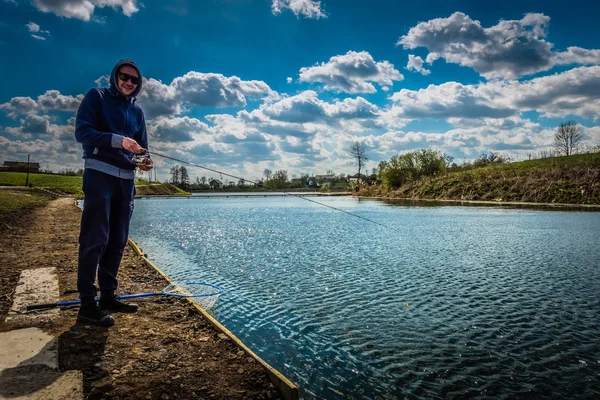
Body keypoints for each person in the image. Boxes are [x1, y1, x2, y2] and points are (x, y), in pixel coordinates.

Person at [74, 59, 152, 326]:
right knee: (95, 238)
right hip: (99, 175)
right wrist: (118, 141)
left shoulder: (137, 112)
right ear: (114, 76)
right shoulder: (96, 97)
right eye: (124, 77)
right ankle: (86, 305)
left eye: (134, 80)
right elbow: (82, 132)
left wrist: (145, 160)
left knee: (118, 239)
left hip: (126, 180)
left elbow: (143, 147)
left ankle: (108, 296)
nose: (129, 82)